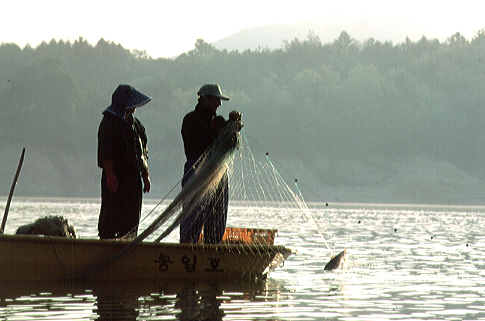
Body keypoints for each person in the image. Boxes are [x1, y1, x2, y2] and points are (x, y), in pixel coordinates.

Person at [180, 84, 242, 244]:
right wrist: (221, 131)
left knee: (218, 213)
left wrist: (232, 126)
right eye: (216, 100)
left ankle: (213, 247)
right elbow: (199, 144)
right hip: (196, 170)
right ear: (205, 99)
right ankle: (187, 248)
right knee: (193, 214)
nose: (219, 104)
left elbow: (230, 143)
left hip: (218, 172)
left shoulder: (220, 121)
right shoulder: (190, 119)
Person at [97, 84, 152, 239]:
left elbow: (143, 152)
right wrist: (110, 175)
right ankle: (107, 246)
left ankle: (128, 245)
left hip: (133, 179)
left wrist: (145, 175)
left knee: (131, 218)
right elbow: (106, 152)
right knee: (111, 215)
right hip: (116, 177)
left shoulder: (136, 124)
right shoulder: (109, 122)